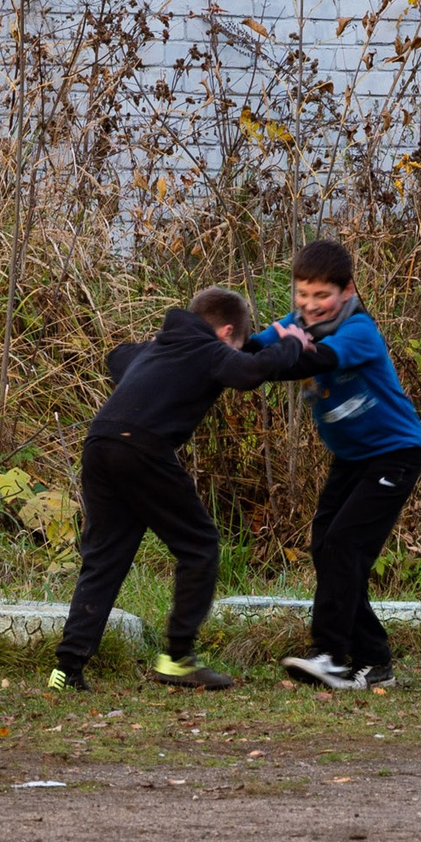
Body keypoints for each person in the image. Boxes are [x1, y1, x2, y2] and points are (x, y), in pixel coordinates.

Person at [50, 286, 324, 693]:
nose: (231, 355)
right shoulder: (207, 350)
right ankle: (177, 658)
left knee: (104, 559)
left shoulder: (161, 347)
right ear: (226, 331)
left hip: (100, 445)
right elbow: (247, 374)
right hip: (142, 447)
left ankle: (66, 668)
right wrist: (291, 344)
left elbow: (118, 356)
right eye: (234, 345)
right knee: (199, 547)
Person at [250, 239, 421, 691]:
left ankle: (329, 655)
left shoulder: (359, 330)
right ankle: (373, 658)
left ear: (346, 291)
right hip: (351, 458)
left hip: (395, 453)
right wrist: (214, 345)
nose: (310, 306)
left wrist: (285, 353)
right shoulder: (296, 324)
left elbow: (317, 358)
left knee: (345, 546)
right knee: (327, 549)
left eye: (321, 296)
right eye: (302, 295)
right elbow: (255, 348)